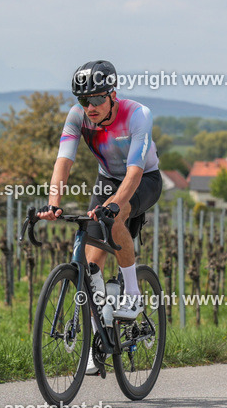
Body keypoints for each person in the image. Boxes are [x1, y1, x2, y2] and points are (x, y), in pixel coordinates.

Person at [36, 60, 162, 374]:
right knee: (90, 266)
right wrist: (54, 204)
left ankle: (132, 293)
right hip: (107, 179)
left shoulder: (137, 115)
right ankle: (98, 344)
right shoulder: (77, 117)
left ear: (112, 95)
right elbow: (63, 162)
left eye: (96, 99)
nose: (89, 107)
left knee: (115, 219)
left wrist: (115, 206)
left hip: (144, 179)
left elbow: (134, 171)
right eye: (84, 100)